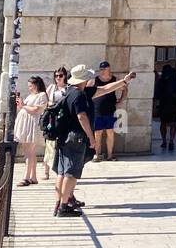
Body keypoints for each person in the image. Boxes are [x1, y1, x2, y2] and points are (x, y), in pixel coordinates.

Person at [52, 64, 124, 217]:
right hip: (75, 138)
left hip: (64, 137)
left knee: (62, 172)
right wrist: (92, 138)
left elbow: (105, 89)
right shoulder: (78, 95)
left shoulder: (70, 91)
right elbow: (82, 117)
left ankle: (58, 204)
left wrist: (124, 81)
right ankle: (64, 207)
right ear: (83, 79)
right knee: (71, 173)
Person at [88, 61, 135, 163]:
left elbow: (124, 89)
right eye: (101, 69)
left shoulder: (114, 80)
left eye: (104, 69)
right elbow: (86, 91)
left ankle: (110, 155)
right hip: (97, 110)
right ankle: (97, 154)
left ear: (109, 69)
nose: (102, 71)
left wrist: (121, 101)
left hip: (110, 110)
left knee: (110, 132)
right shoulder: (94, 80)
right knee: (98, 133)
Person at [13, 76, 48, 186]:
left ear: (36, 85)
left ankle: (26, 177)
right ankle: (33, 176)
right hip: (26, 123)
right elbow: (25, 108)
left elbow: (36, 110)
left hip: (32, 124)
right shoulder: (30, 96)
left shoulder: (42, 95)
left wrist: (24, 106)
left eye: (31, 86)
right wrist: (21, 105)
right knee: (29, 152)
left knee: (29, 151)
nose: (29, 88)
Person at [42, 66, 69, 180]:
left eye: (60, 75)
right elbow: (45, 101)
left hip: (63, 118)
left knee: (63, 145)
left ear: (65, 76)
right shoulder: (52, 88)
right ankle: (46, 172)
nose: (58, 77)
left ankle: (62, 171)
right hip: (53, 118)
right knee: (49, 144)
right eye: (56, 75)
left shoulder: (68, 88)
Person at [154, 64, 176, 151]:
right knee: (173, 124)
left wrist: (155, 107)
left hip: (163, 104)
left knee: (163, 123)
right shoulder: (175, 81)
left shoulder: (161, 81)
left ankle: (164, 141)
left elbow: (157, 95)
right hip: (174, 104)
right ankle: (171, 140)